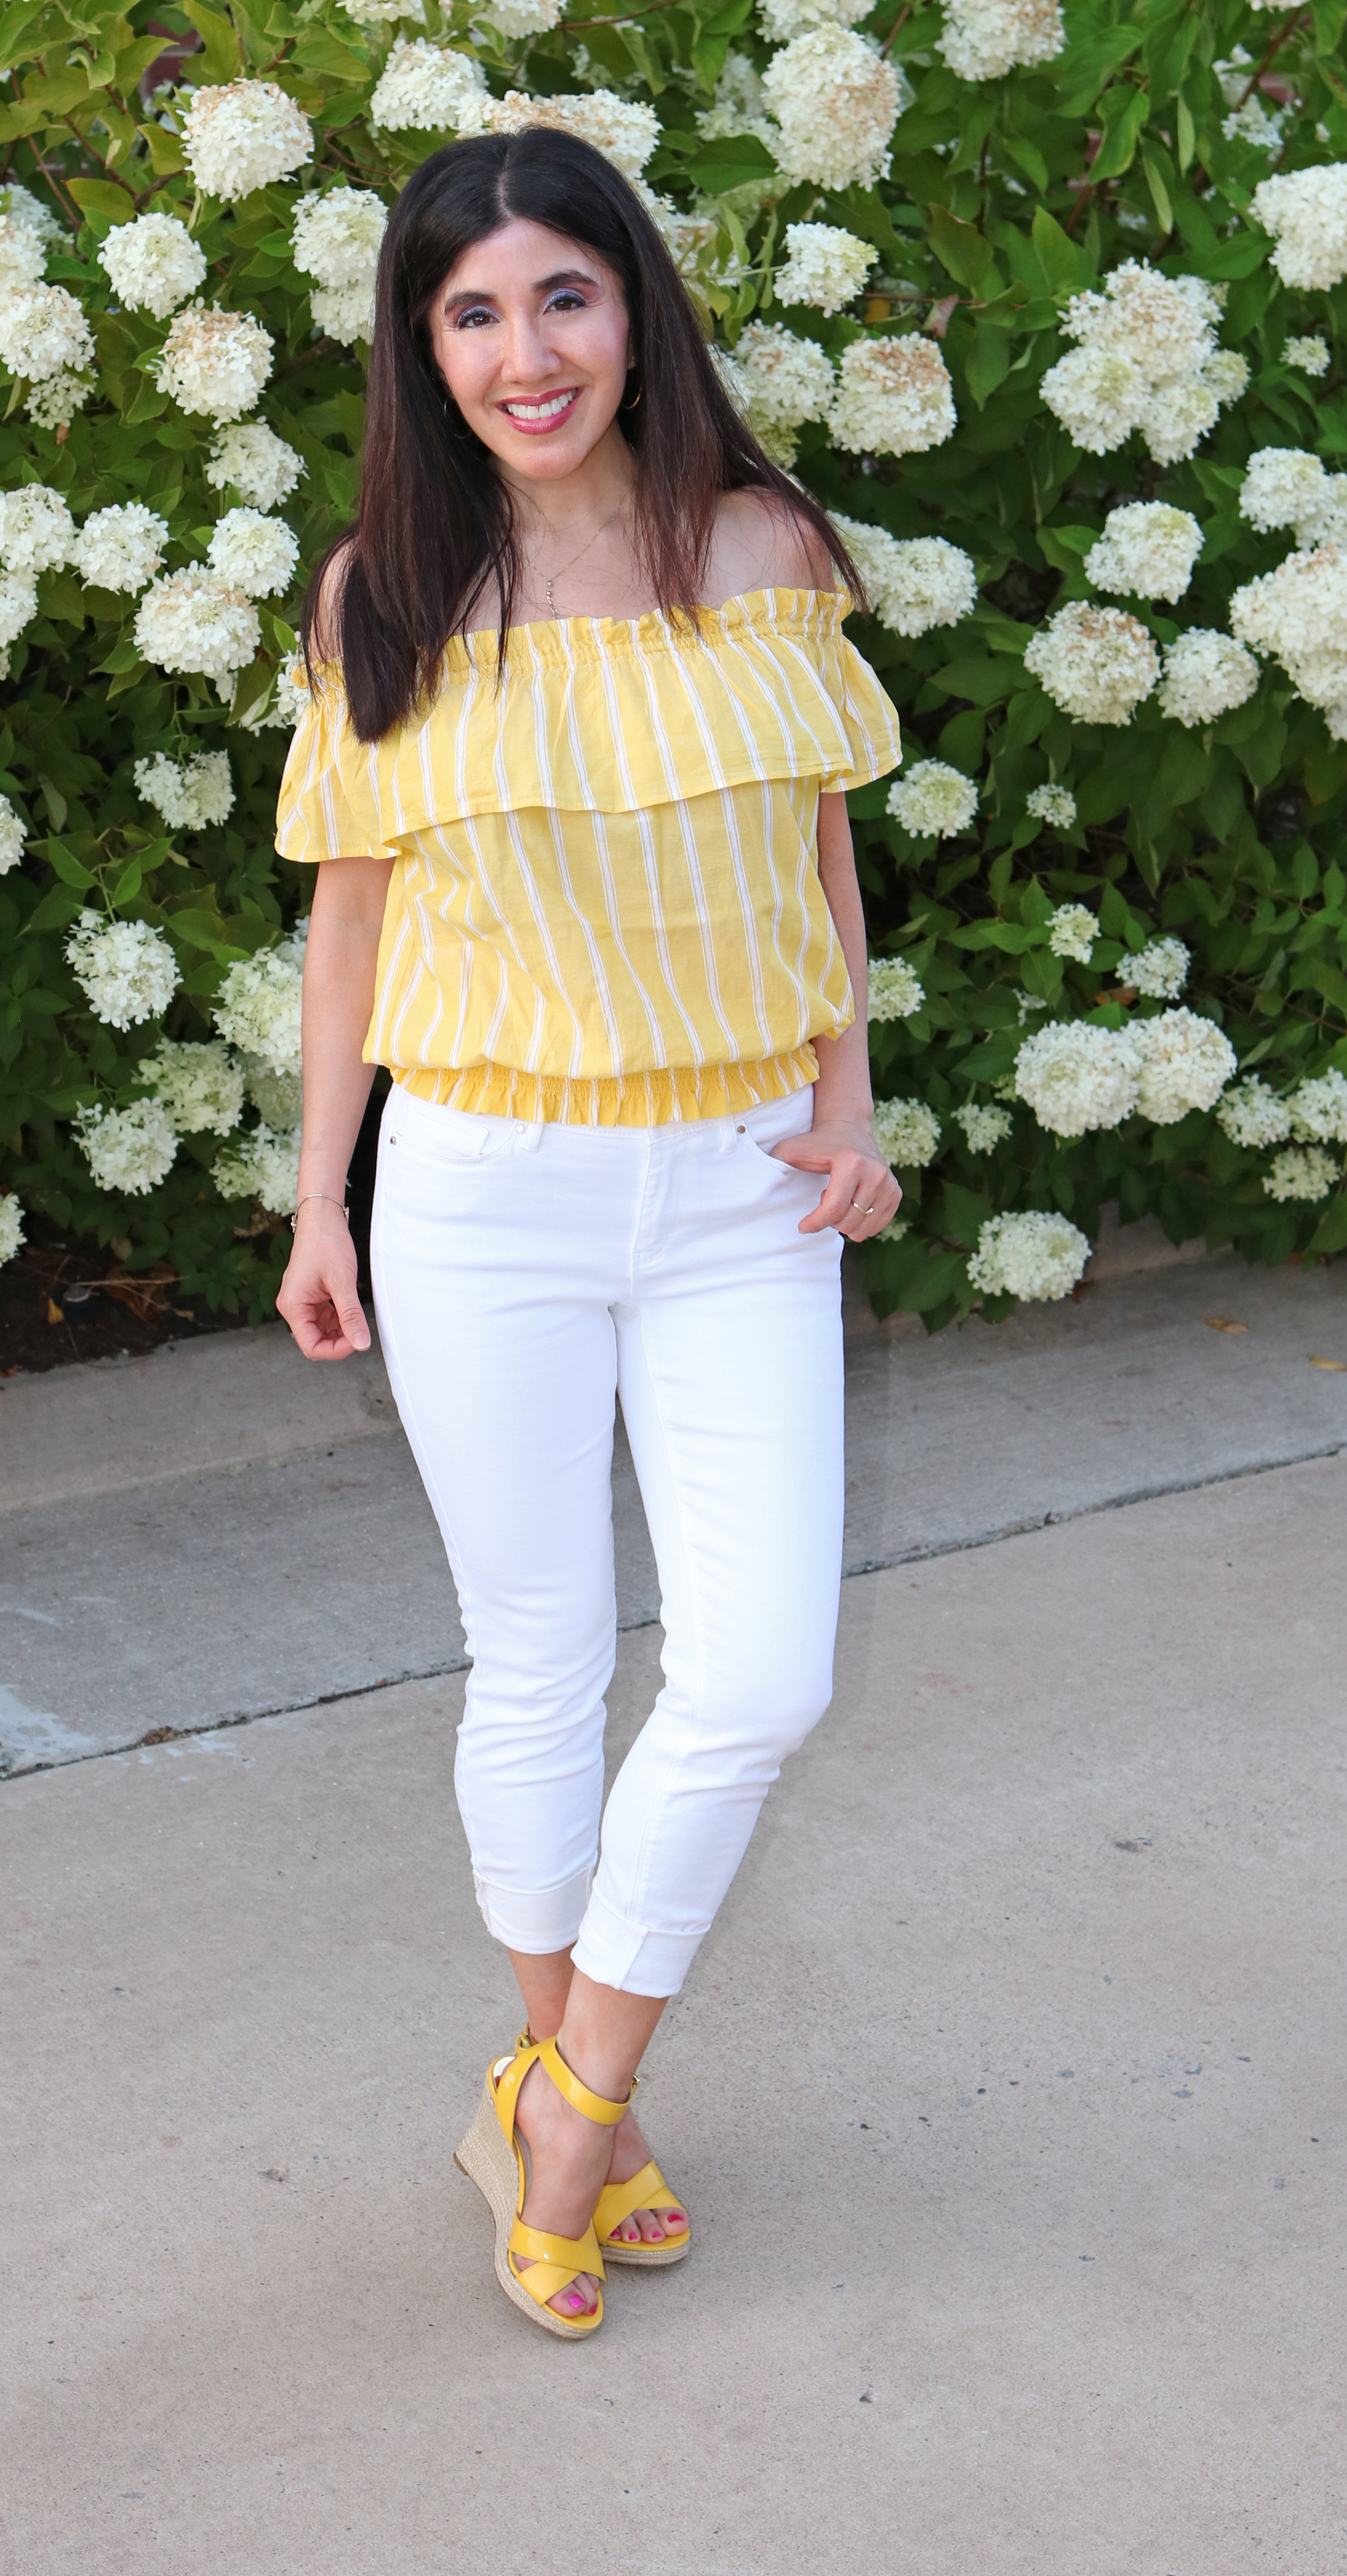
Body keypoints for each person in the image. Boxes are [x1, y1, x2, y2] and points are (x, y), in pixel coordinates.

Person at [273, 127, 902, 2340]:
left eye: (564, 296)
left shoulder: (759, 545)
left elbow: (818, 847)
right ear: (421, 347)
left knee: (757, 1672)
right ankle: (587, 2110)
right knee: (537, 1659)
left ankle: (561, 2093)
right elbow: (351, 914)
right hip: (479, 1190)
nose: (524, 353)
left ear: (633, 306)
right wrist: (319, 1193)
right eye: (472, 312)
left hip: (740, 1182)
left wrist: (846, 1096)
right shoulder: (385, 598)